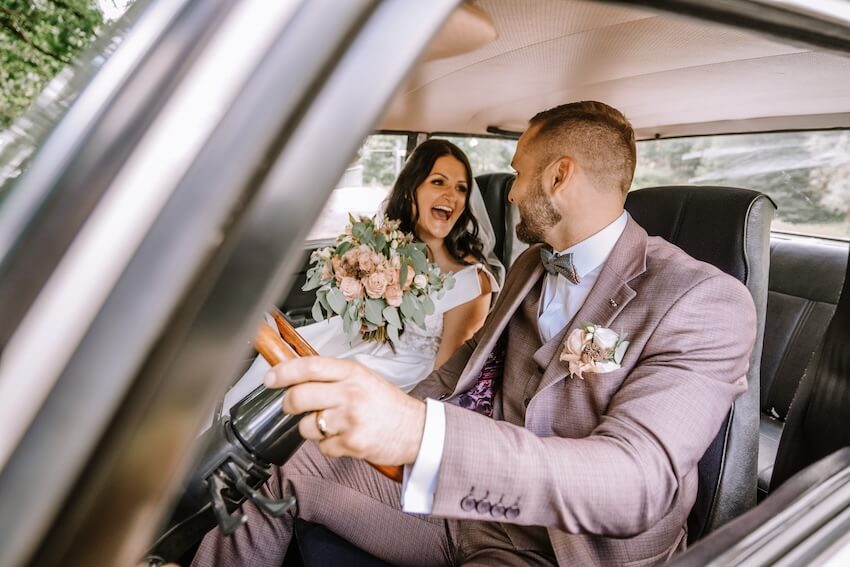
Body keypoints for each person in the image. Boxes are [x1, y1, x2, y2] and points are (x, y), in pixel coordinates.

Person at [192, 101, 757, 566]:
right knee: (291, 459)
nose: (508, 193)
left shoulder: (705, 300)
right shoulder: (531, 266)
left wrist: (420, 434)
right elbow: (460, 368)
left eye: (518, 172)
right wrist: (386, 417)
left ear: (558, 176)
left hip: (562, 551)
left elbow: (635, 483)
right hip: (463, 509)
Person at [219, 139, 500, 414]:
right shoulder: (391, 247)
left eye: (461, 188)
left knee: (308, 385)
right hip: (368, 347)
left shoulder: (471, 281)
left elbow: (448, 376)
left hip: (405, 378)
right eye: (438, 182)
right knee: (277, 362)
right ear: (410, 190)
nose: (452, 195)